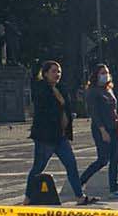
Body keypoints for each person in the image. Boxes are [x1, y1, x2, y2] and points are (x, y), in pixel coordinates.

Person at [28, 60, 93, 205]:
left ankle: (79, 196)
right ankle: (28, 197)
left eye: (59, 71)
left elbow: (66, 108)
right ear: (45, 74)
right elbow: (43, 112)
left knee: (71, 164)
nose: (57, 74)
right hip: (46, 136)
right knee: (38, 167)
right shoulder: (41, 89)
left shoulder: (61, 89)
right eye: (53, 71)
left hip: (61, 136)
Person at [80, 63, 118, 198]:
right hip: (101, 128)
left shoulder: (108, 90)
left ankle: (114, 189)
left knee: (115, 159)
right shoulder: (93, 91)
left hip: (113, 127)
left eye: (106, 72)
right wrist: (102, 130)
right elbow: (94, 113)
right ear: (95, 75)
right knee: (103, 159)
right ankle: (80, 181)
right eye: (102, 73)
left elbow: (113, 109)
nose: (105, 75)